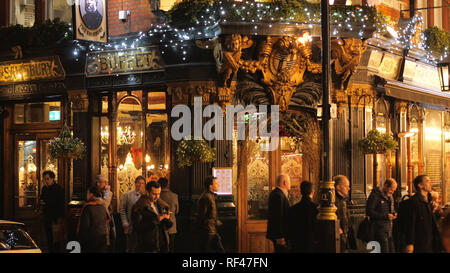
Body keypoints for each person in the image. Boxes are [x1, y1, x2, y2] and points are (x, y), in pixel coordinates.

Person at [404, 175, 442, 253]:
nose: (431, 183)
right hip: (420, 241)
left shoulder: (429, 200)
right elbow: (410, 223)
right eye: (427, 181)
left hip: (430, 240)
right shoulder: (414, 201)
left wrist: (436, 210)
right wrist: (410, 243)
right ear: (420, 185)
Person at [131, 181, 172, 252]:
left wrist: (167, 219)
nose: (157, 197)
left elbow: (168, 226)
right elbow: (137, 227)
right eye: (154, 194)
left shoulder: (161, 205)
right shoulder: (139, 206)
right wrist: (157, 220)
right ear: (147, 192)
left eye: (159, 194)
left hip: (162, 243)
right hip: (148, 245)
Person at [366, 178, 398, 253]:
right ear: (386, 186)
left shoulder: (390, 196)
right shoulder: (375, 195)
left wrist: (394, 213)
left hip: (389, 228)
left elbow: (391, 209)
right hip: (378, 229)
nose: (392, 192)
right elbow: (369, 211)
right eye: (391, 189)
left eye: (394, 190)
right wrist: (385, 216)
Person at [287, 181, 318, 252]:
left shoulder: (293, 209)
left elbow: (289, 228)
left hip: (297, 243)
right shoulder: (316, 208)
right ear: (312, 192)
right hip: (311, 244)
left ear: (301, 192)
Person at [77, 186, 109, 253]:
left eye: (87, 193)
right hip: (103, 237)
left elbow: (84, 226)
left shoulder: (88, 207)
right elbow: (107, 220)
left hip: (91, 239)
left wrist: (81, 239)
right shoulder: (102, 206)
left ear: (91, 194)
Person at [197, 176, 225, 253]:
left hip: (211, 229)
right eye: (216, 183)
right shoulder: (206, 197)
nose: (218, 185)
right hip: (208, 231)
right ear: (210, 186)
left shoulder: (210, 196)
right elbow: (201, 215)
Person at [39, 170, 65, 253]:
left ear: (53, 178)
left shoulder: (58, 189)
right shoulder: (44, 188)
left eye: (48, 179)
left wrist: (46, 202)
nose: (46, 181)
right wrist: (42, 202)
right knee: (48, 237)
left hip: (55, 217)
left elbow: (60, 203)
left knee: (56, 239)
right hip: (47, 216)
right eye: (44, 179)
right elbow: (42, 199)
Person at [120, 176, 146, 252]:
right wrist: (124, 222)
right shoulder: (127, 195)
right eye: (138, 183)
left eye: (142, 183)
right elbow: (122, 210)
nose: (140, 185)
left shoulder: (146, 196)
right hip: (131, 225)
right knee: (130, 247)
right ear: (135, 183)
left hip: (143, 226)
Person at [267, 174, 291, 253]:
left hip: (281, 234)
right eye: (289, 181)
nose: (290, 183)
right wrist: (279, 236)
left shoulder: (278, 193)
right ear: (285, 182)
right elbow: (277, 217)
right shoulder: (278, 195)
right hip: (280, 236)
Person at [158, 177, 179, 252]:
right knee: (171, 247)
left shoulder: (157, 196)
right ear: (167, 184)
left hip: (160, 225)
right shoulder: (174, 196)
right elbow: (177, 211)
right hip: (171, 225)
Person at [95, 175, 115, 250]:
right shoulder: (96, 194)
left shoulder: (102, 193)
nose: (106, 185)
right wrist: (108, 193)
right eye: (104, 182)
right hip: (99, 228)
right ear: (98, 183)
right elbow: (104, 206)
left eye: (107, 182)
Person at [334, 174, 351, 252]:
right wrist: (338, 228)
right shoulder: (334, 199)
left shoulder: (343, 199)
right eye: (346, 186)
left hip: (344, 232)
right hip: (338, 233)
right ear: (338, 187)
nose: (349, 188)